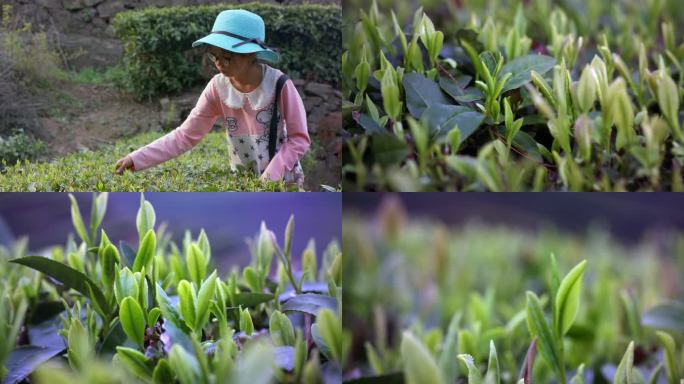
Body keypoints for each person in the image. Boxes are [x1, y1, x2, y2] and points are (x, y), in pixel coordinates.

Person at [115, 9, 310, 186]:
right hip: (244, 182)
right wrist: (137, 158)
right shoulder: (218, 88)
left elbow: (299, 140)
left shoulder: (280, 85)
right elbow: (185, 135)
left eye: (227, 56)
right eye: (214, 55)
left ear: (252, 53)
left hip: (284, 183)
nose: (219, 63)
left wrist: (270, 177)